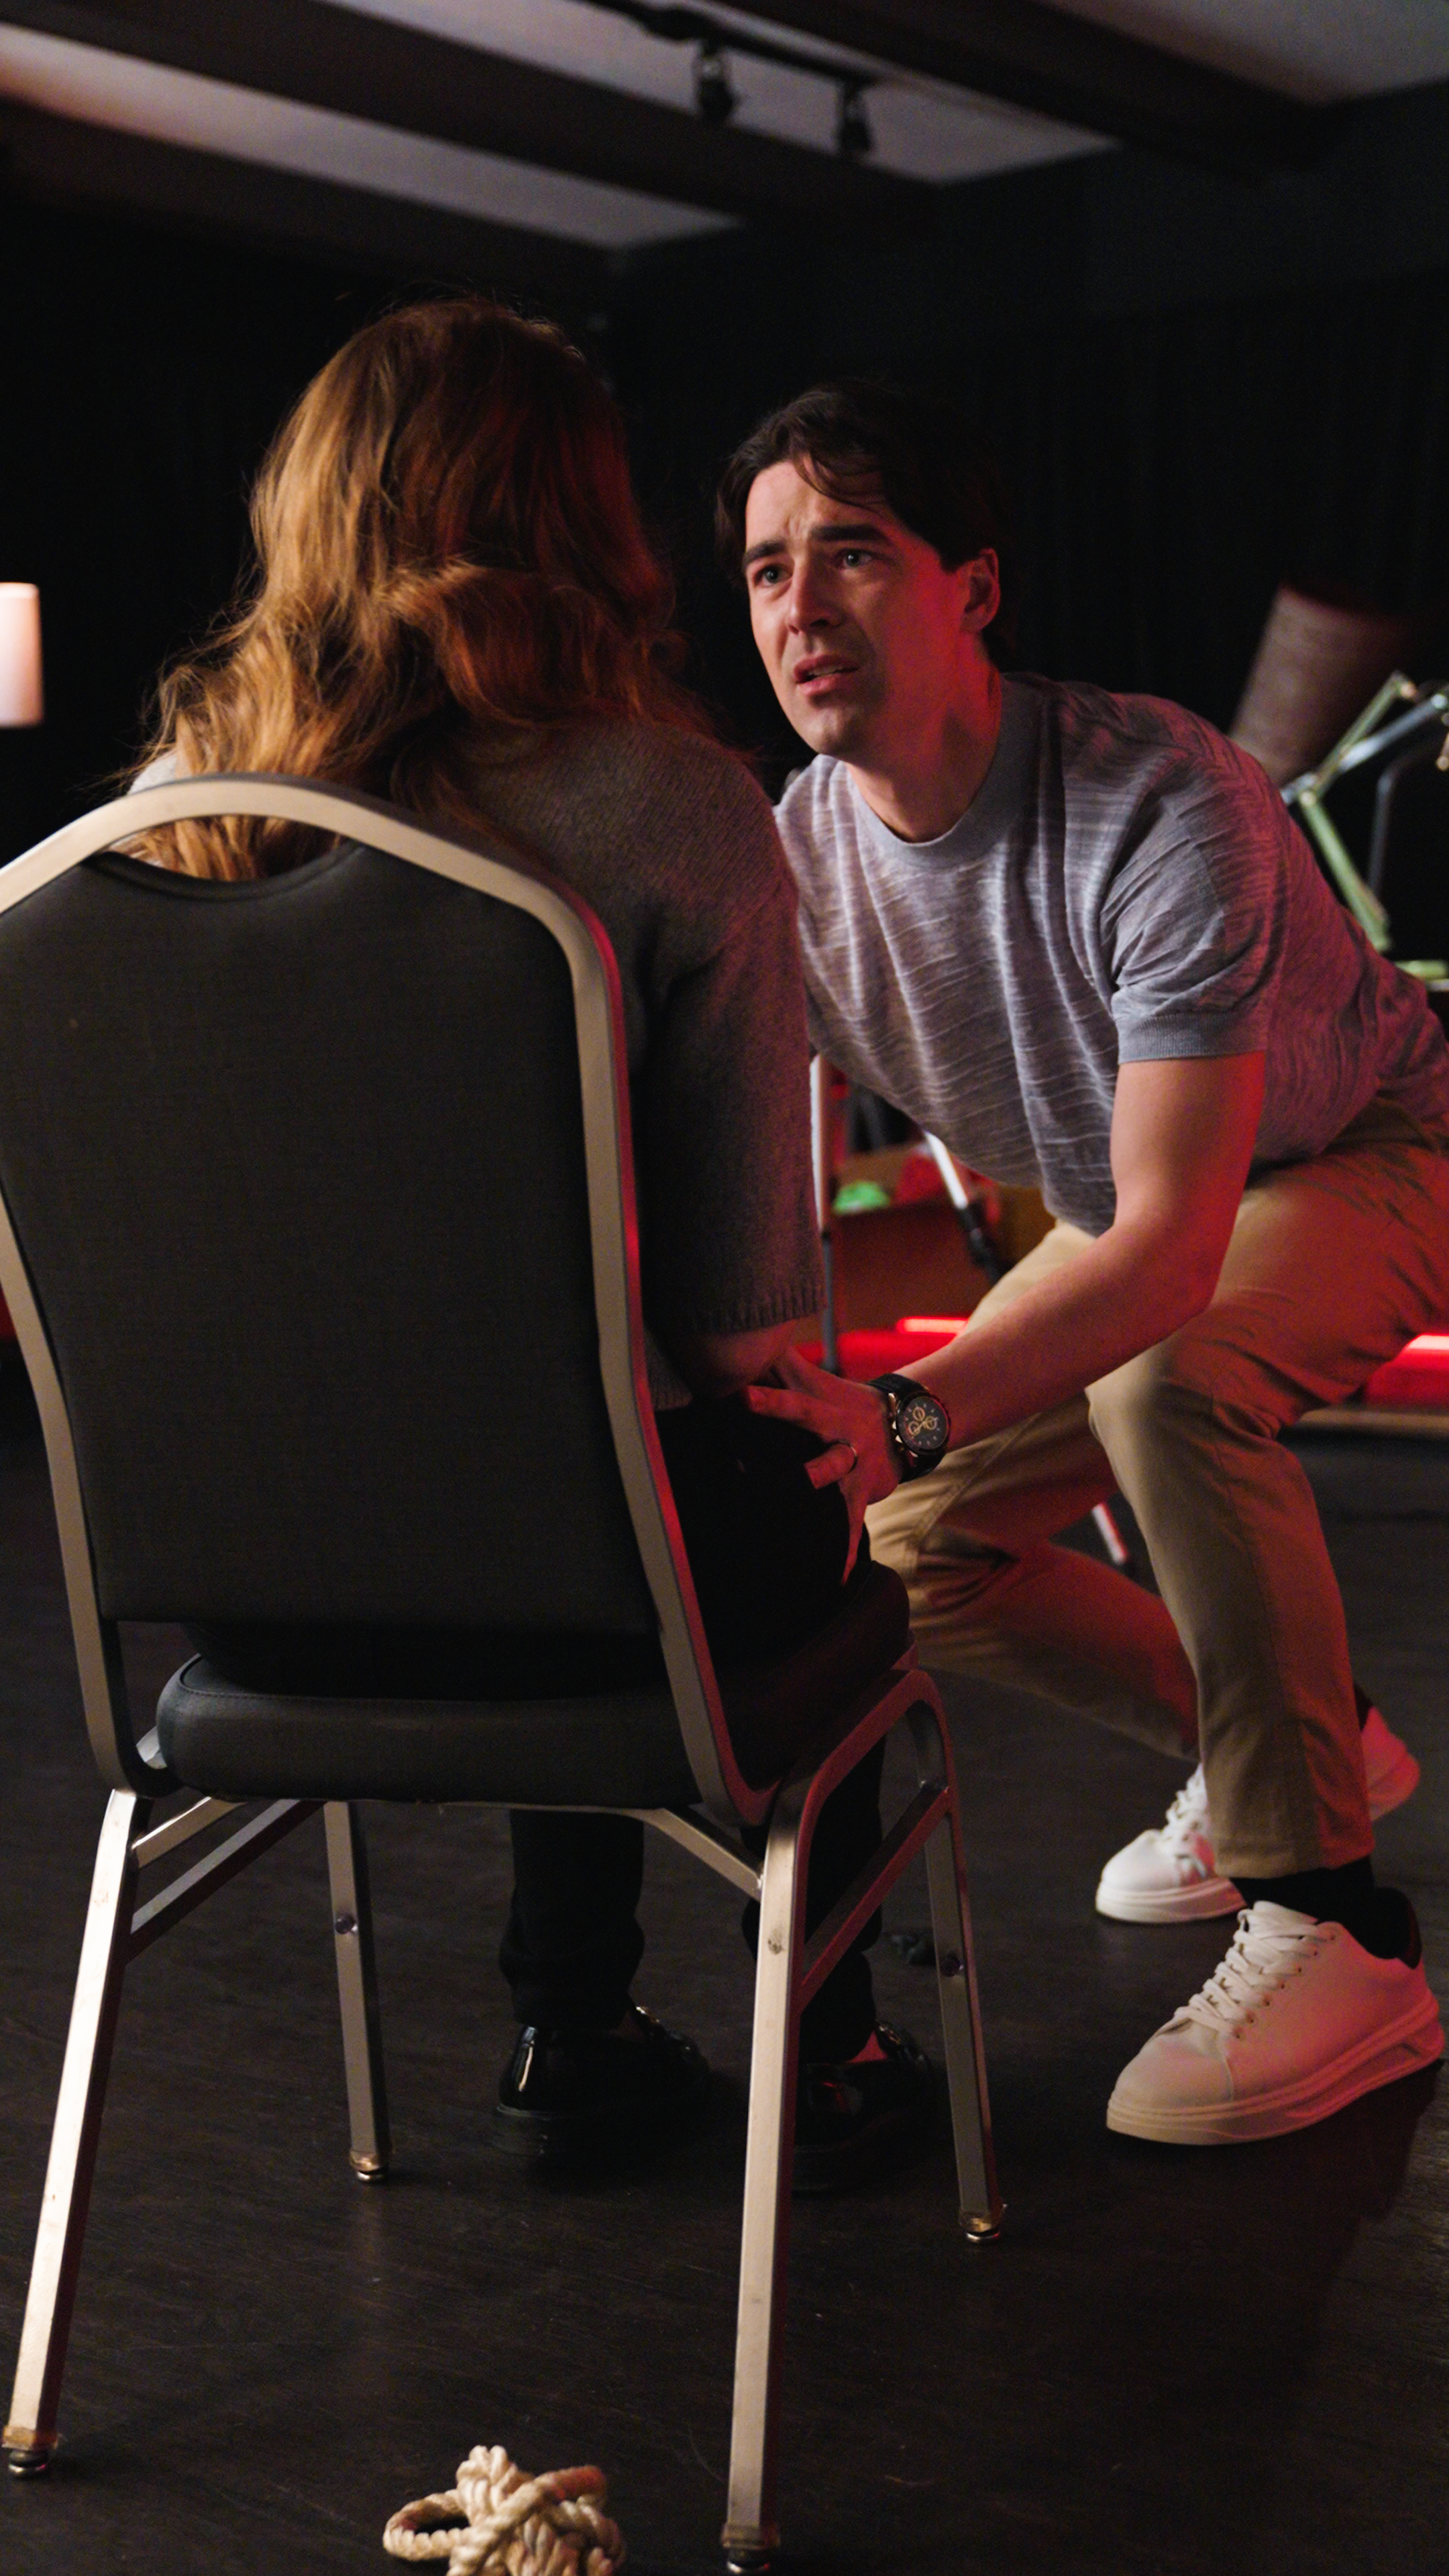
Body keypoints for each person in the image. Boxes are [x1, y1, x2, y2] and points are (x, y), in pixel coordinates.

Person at [127, 301, 932, 2187]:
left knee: (561, 1460)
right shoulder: (673, 807)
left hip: (243, 1587)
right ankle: (827, 2044)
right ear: (589, 521)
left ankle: (576, 2017)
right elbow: (747, 1332)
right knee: (742, 1469)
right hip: (597, 1572)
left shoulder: (155, 828)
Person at [715, 376, 1449, 2145]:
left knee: (1161, 1369)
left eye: (853, 556)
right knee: (908, 1539)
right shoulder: (795, 862)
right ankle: (1299, 1736)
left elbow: (1177, 1253)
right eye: (761, 572)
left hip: (1382, 1153)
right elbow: (774, 1172)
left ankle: (1341, 1924)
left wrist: (908, 1403)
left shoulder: (1157, 797)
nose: (801, 610)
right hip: (1153, 1225)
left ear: (973, 584)